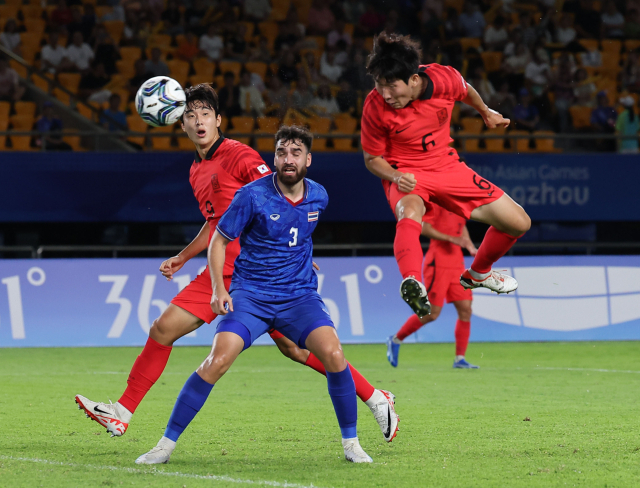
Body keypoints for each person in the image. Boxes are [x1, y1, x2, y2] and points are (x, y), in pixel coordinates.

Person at [75, 84, 399, 446]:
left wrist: (294, 249)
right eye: (190, 116)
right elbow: (216, 223)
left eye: (205, 115)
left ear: (218, 120)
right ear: (180, 124)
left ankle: (374, 397)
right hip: (225, 268)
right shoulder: (196, 171)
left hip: (254, 272)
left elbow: (276, 196)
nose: (199, 122)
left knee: (296, 349)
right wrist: (184, 256)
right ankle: (122, 413)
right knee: (173, 331)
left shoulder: (239, 155)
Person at [134, 125, 376, 465]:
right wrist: (219, 288)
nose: (287, 160)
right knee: (216, 361)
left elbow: (299, 235)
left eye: (295, 153)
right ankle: (165, 445)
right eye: (281, 153)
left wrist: (304, 261)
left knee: (334, 354)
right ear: (273, 157)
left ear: (308, 158)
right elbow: (219, 240)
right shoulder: (251, 195)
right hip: (251, 296)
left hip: (298, 298)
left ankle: (351, 444)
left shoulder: (319, 196)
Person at [360, 32, 530, 319]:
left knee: (518, 222)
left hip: (447, 167)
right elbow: (371, 159)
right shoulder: (375, 105)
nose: (385, 94)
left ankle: (478, 273)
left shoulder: (443, 79)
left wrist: (485, 112)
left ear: (413, 79)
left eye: (391, 85)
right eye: (379, 84)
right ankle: (412, 281)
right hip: (406, 172)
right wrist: (394, 175)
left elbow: (465, 89)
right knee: (409, 211)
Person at [387, 203, 479, 369]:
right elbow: (424, 228)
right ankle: (395, 339)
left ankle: (459, 358)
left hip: (457, 263)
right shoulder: (436, 203)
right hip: (438, 263)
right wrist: (451, 238)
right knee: (431, 313)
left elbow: (461, 228)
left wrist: (470, 246)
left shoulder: (459, 204)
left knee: (466, 308)